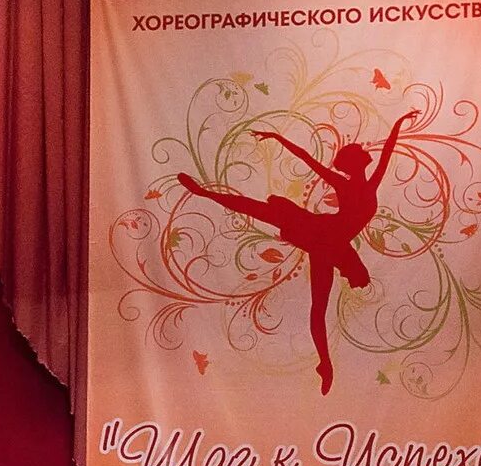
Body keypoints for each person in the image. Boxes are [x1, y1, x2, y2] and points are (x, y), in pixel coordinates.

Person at [175, 111, 419, 393]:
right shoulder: (349, 183)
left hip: (330, 245)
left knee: (319, 306)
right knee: (265, 212)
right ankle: (204, 193)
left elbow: (388, 149)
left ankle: (324, 364)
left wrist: (399, 123)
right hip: (324, 235)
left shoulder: (370, 182)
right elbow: (307, 158)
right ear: (354, 164)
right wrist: (277, 138)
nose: (364, 158)